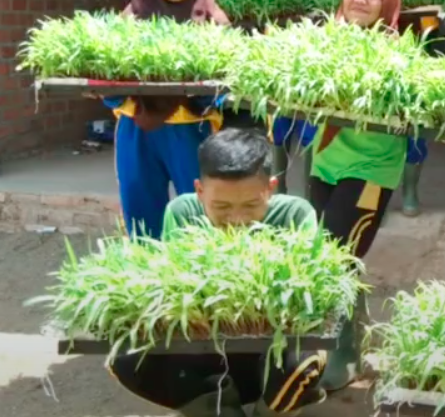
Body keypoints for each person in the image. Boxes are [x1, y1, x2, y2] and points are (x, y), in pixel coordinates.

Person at [109, 129, 328, 417]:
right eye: (222, 207)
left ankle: (269, 411)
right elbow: (179, 293)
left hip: (268, 360)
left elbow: (309, 298)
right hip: (205, 355)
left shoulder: (296, 215)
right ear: (200, 191)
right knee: (124, 358)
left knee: (304, 359)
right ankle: (217, 409)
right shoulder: (182, 212)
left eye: (251, 205)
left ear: (271, 188)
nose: (237, 220)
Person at [109, 0, 230, 239]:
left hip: (191, 132)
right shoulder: (129, 21)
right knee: (141, 220)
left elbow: (227, 85)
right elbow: (106, 80)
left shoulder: (214, 23)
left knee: (201, 219)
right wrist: (114, 95)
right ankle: (148, 283)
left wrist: (207, 98)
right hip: (137, 130)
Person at [310, 0, 408, 259]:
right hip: (326, 160)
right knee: (320, 252)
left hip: (371, 167)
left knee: (340, 256)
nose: (361, 0)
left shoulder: (399, 54)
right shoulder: (323, 43)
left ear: (387, 3)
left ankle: (344, 307)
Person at [265, 0, 334, 195]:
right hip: (280, 60)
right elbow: (259, 10)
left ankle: (309, 195)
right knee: (278, 126)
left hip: (318, 62)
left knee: (313, 128)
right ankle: (278, 192)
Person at [368, 0, 435, 218]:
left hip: (411, 67)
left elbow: (432, 33)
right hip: (371, 69)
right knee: (371, 134)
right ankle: (371, 200)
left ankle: (409, 190)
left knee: (413, 132)